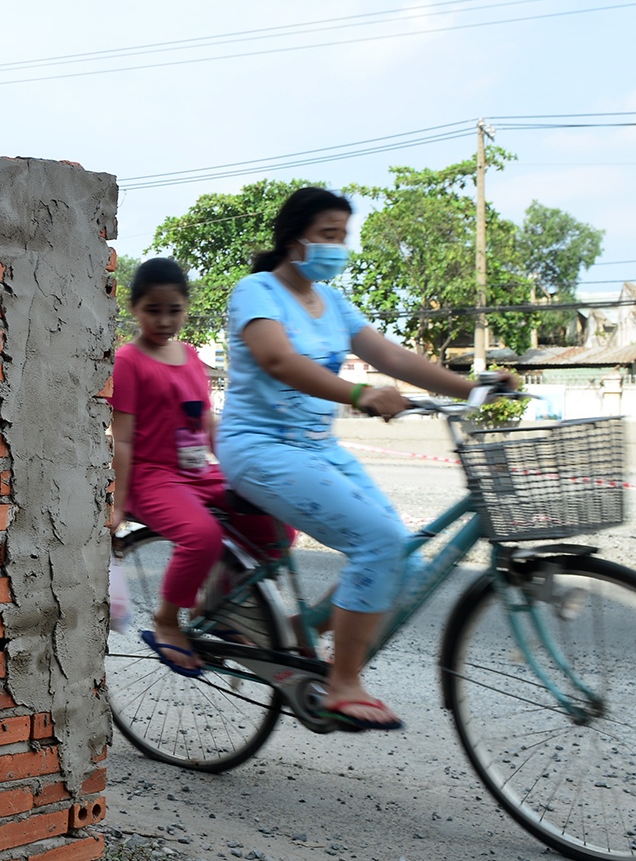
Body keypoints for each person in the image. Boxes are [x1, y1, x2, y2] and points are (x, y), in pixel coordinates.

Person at [218, 187, 514, 730]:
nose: (338, 247)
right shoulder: (256, 291)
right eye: (328, 235)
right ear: (294, 238)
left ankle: (290, 630)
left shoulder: (333, 304)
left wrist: (472, 388)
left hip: (318, 449)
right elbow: (277, 359)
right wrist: (358, 394)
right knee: (378, 543)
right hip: (259, 448)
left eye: (342, 236)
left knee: (404, 560)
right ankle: (343, 683)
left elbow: (391, 355)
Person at [108, 257, 231, 676]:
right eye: (153, 310)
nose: (163, 320)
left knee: (275, 518)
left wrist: (237, 468)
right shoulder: (128, 361)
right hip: (152, 478)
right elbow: (121, 437)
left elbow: (208, 422)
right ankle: (166, 620)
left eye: (173, 310)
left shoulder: (193, 356)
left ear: (186, 308)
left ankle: (222, 606)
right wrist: (118, 504)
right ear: (135, 309)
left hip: (197, 472)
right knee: (202, 535)